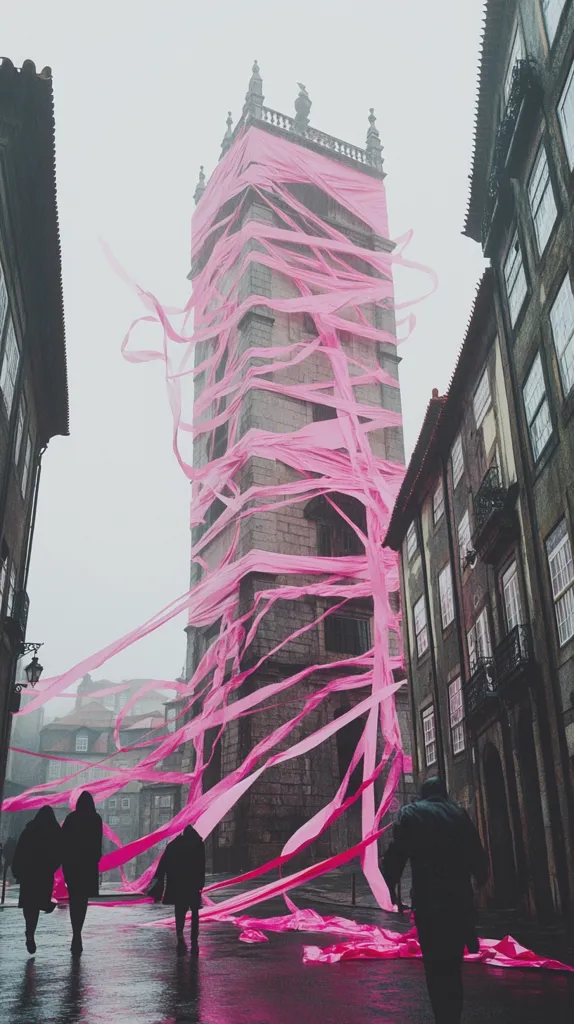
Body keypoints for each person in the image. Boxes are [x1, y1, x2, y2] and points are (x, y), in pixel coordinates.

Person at [382, 777, 489, 1024]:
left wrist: (390, 884)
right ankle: (453, 1017)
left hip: (429, 904)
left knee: (435, 967)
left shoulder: (411, 814)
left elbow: (396, 854)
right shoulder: (459, 814)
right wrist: (480, 878)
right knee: (453, 967)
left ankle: (443, 1017)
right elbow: (477, 856)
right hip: (459, 904)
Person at [11, 806, 62, 954]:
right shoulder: (54, 830)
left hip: (28, 872)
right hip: (44, 872)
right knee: (40, 900)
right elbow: (60, 850)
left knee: (29, 904)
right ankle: (35, 925)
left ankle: (29, 932)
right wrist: (53, 866)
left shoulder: (30, 829)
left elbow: (20, 849)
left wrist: (16, 869)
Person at [149, 825, 205, 954]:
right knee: (195, 913)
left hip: (178, 884)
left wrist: (158, 879)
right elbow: (202, 865)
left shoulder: (173, 845)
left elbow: (163, 863)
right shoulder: (198, 844)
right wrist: (201, 885)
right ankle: (194, 940)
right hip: (193, 884)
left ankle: (180, 934)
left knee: (180, 912)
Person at [62, 791, 103, 956]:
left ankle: (75, 933)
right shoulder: (96, 819)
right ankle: (78, 933)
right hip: (88, 865)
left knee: (74, 899)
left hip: (72, 865)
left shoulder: (71, 818)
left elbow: (63, 841)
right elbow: (98, 842)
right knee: (83, 900)